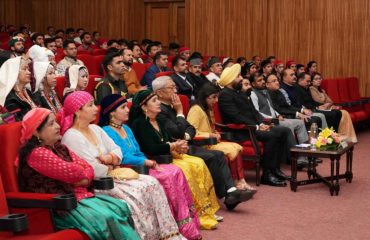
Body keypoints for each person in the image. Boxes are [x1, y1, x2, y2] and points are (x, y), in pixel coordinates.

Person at [61, 91, 185, 240]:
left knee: (152, 182)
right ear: (77, 111)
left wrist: (109, 158)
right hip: (99, 184)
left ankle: (167, 235)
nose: (96, 109)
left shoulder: (96, 129)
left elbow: (117, 151)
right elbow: (92, 168)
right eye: (91, 105)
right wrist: (112, 162)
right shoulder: (71, 136)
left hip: (114, 175)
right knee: (138, 193)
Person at [18, 108, 140, 240]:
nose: (58, 126)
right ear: (36, 131)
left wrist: (83, 177)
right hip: (60, 207)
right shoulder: (37, 153)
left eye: (57, 122)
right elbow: (74, 173)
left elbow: (88, 168)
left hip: (78, 196)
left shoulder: (59, 147)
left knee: (120, 207)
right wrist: (82, 176)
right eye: (51, 124)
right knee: (106, 218)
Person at [99, 94, 201, 239]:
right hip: (128, 169)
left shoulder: (126, 129)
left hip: (143, 164)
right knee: (166, 176)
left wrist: (149, 161)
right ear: (111, 113)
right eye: (122, 108)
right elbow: (124, 156)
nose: (127, 110)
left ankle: (186, 225)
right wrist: (148, 162)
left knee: (176, 170)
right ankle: (169, 229)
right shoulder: (107, 131)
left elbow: (138, 151)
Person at [153, 77, 254, 208]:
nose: (175, 90)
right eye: (171, 87)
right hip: (175, 149)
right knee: (212, 156)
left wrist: (185, 133)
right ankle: (228, 196)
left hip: (186, 143)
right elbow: (177, 132)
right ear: (160, 93)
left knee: (218, 154)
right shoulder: (160, 110)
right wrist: (179, 113)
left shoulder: (171, 107)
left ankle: (230, 192)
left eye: (175, 87)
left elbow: (190, 129)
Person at [129, 90, 221, 230]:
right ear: (144, 106)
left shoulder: (159, 119)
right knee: (187, 170)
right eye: (154, 101)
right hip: (154, 160)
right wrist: (173, 146)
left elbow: (167, 140)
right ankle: (194, 214)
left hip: (168, 156)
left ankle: (206, 210)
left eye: (158, 100)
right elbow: (151, 148)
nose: (159, 102)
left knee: (198, 163)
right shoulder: (140, 123)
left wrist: (179, 146)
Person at [218, 64, 291, 187]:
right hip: (240, 131)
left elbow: (254, 112)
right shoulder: (225, 94)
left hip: (251, 127)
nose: (241, 78)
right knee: (273, 135)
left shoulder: (239, 92)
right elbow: (236, 117)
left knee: (283, 131)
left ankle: (275, 170)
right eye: (238, 76)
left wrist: (261, 123)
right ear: (231, 79)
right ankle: (266, 175)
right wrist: (256, 126)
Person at [187, 82, 257, 192]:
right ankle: (235, 182)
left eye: (217, 97)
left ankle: (241, 180)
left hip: (212, 141)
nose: (216, 101)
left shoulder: (207, 108)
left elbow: (210, 127)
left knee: (236, 147)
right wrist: (210, 135)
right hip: (202, 144)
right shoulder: (196, 109)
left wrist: (215, 132)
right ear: (205, 96)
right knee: (231, 149)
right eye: (213, 97)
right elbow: (191, 131)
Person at [309, 73, 357, 142]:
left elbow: (331, 101)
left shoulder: (321, 90)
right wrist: (326, 100)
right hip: (319, 109)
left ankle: (347, 136)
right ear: (312, 81)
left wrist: (327, 102)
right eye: (316, 79)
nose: (319, 80)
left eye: (320, 79)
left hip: (327, 108)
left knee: (345, 112)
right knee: (340, 113)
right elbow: (319, 101)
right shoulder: (311, 89)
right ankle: (337, 135)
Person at [1, 57, 38, 121]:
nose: (29, 72)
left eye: (28, 69)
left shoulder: (28, 91)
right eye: (24, 69)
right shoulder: (9, 97)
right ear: (14, 73)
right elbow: (18, 121)